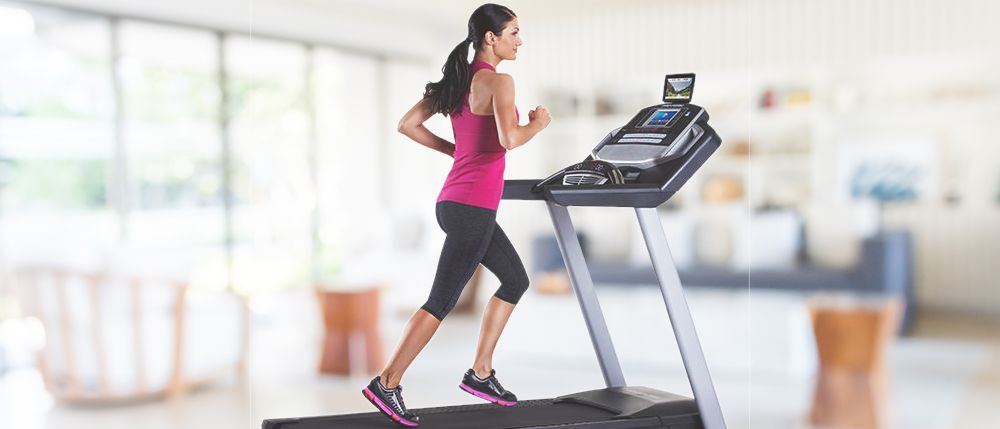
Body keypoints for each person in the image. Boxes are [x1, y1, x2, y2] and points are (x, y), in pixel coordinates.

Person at [360, 3, 551, 427]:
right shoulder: (500, 81)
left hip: (455, 202)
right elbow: (509, 139)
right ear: (491, 38)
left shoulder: (455, 81)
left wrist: (455, 151)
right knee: (441, 301)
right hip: (472, 207)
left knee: (516, 279)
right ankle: (387, 382)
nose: (520, 40)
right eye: (514, 32)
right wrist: (537, 123)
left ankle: (480, 374)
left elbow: (407, 124)